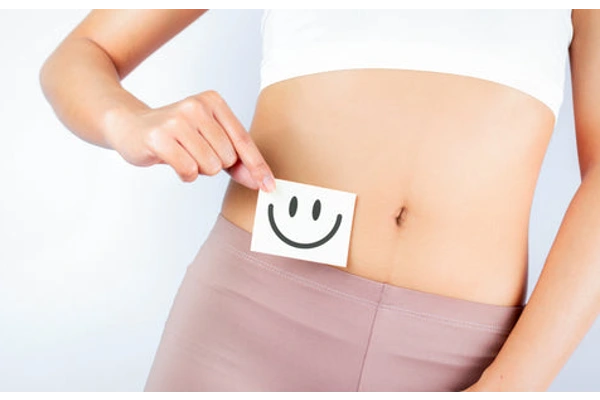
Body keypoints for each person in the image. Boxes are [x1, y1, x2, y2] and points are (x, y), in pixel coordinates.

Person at [39, 8, 599, 392]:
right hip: (250, 321)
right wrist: (127, 121)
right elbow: (81, 53)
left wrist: (514, 385)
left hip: (468, 358)